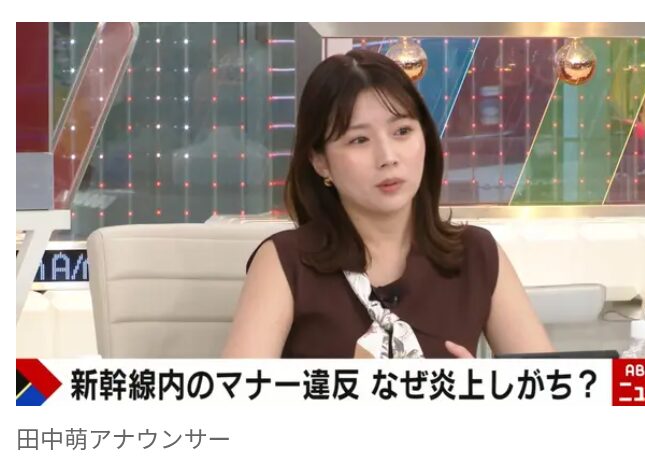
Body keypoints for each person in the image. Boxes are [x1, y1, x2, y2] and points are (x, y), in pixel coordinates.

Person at [223, 49, 553, 358]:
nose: (388, 157)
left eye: (402, 131)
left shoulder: (477, 254)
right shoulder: (285, 262)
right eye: (359, 140)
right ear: (320, 162)